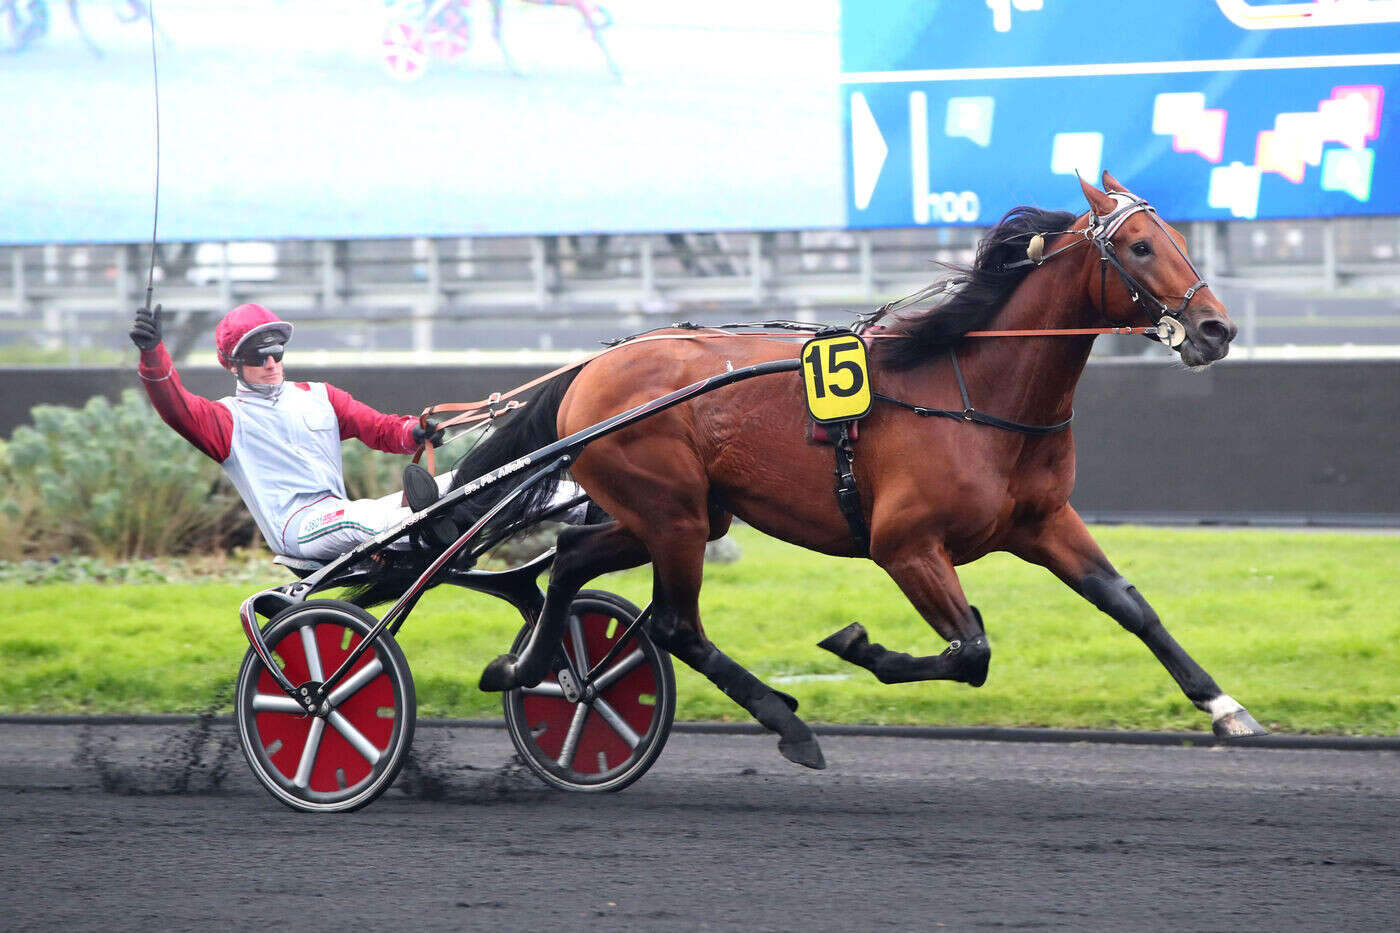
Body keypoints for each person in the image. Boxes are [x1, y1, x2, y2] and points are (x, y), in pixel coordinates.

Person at [131, 302, 578, 561]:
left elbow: (379, 428)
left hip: (344, 514)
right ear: (230, 364)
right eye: (256, 356)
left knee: (489, 479)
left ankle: (589, 508)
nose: (270, 363)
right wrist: (153, 354)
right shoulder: (223, 420)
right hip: (299, 526)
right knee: (372, 516)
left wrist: (413, 433)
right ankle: (434, 525)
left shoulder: (321, 396)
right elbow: (175, 408)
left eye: (276, 352)